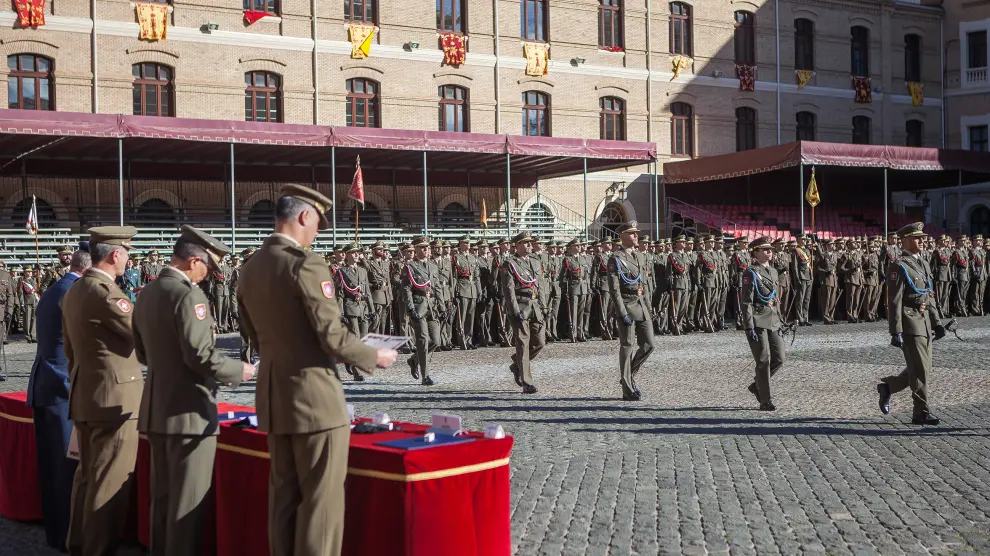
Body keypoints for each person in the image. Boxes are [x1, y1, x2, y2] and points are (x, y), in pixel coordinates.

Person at [237, 185, 397, 556]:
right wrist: (374, 356)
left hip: (275, 395)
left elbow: (260, 336)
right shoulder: (305, 262)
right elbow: (332, 334)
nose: (316, 234)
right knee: (321, 504)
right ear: (305, 216)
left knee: (284, 498)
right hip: (313, 398)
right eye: (317, 225)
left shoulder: (251, 267)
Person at [132, 226, 255, 556]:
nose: (209, 275)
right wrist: (240, 370)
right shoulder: (188, 295)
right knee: (187, 507)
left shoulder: (147, 293)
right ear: (194, 261)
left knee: (163, 500)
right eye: (208, 267)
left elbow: (141, 352)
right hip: (189, 413)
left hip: (157, 409)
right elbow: (201, 355)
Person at [62, 226, 143, 556]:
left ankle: (79, 545)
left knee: (86, 479)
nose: (128, 258)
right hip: (115, 403)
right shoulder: (107, 293)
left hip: (86, 395)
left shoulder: (75, 290)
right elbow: (141, 331)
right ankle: (98, 549)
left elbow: (70, 351)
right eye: (126, 252)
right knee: (109, 483)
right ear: (115, 254)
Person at [27, 248, 91, 551]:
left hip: (47, 384)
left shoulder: (56, 289)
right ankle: (67, 536)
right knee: (66, 469)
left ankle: (57, 533)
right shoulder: (73, 294)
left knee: (53, 467)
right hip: (63, 387)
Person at [878, 222, 944, 426]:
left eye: (922, 237)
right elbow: (894, 301)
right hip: (909, 322)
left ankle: (888, 387)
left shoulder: (922, 262)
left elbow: (928, 295)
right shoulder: (898, 265)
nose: (922, 241)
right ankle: (920, 412)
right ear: (905, 240)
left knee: (923, 367)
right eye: (917, 238)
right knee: (921, 370)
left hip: (923, 321)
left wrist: (937, 321)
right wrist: (895, 330)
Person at [607, 222, 655, 401]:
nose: (636, 236)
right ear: (623, 236)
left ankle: (628, 376)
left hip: (641, 304)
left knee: (649, 344)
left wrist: (649, 308)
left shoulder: (640, 257)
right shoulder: (616, 258)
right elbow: (614, 289)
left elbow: (644, 285)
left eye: (636, 233)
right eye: (632, 233)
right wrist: (622, 312)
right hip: (627, 305)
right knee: (627, 347)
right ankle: (627, 388)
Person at [741, 236, 786, 411]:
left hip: (773, 319)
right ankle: (765, 399)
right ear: (756, 252)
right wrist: (749, 325)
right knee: (763, 360)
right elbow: (746, 302)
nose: (770, 252)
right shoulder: (750, 272)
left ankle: (756, 385)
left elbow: (776, 298)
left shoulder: (773, 272)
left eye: (771, 249)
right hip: (758, 320)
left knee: (780, 358)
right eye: (765, 249)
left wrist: (781, 319)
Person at [501, 231, 544, 394]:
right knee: (523, 344)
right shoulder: (510, 264)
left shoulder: (535, 262)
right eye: (525, 243)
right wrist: (514, 310)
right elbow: (509, 290)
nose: (529, 245)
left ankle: (516, 364)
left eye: (530, 243)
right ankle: (527, 382)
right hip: (520, 307)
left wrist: (544, 306)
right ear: (517, 245)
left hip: (534, 306)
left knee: (540, 343)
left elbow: (540, 286)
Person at [402, 235, 441, 385]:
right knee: (423, 341)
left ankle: (414, 360)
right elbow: (406, 290)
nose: (426, 249)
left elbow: (436, 287)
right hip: (418, 308)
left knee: (436, 341)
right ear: (416, 250)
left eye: (427, 247)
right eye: (422, 247)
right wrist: (411, 309)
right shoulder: (410, 267)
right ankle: (425, 376)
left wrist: (441, 305)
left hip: (431, 307)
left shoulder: (433, 266)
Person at [334, 242, 375, 381]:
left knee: (363, 339)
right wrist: (340, 313)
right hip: (350, 308)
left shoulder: (362, 271)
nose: (357, 255)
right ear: (347, 255)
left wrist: (372, 310)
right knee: (356, 338)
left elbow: (367, 292)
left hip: (363, 308)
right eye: (354, 252)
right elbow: (339, 295)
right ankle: (357, 372)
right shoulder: (341, 272)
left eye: (358, 252)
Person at [19, 265, 40, 342]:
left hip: (34, 301)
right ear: (24, 273)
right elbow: (20, 293)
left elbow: (37, 290)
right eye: (28, 272)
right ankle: (27, 336)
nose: (30, 273)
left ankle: (33, 335)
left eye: (31, 272)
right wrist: (22, 303)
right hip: (27, 301)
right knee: (27, 319)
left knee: (34, 319)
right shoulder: (22, 281)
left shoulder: (34, 280)